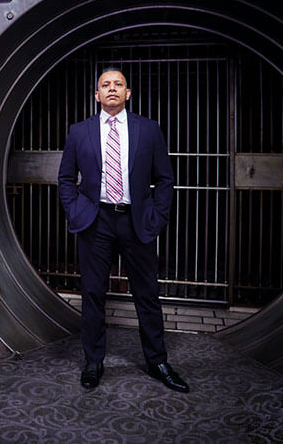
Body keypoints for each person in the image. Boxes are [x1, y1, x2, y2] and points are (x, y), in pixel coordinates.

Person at [57, 67, 189, 393]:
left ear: (128, 93)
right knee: (92, 294)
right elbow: (65, 180)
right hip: (96, 221)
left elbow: (165, 180)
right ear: (97, 95)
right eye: (106, 85)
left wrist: (156, 217)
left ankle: (157, 361)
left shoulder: (149, 129)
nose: (112, 89)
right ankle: (93, 361)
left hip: (136, 221)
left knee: (146, 294)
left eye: (118, 84)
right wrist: (76, 211)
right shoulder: (79, 132)